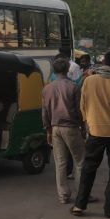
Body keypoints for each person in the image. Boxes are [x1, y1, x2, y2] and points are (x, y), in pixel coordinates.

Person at [70, 51, 110, 219]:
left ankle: (79, 205)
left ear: (103, 61)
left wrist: (88, 125)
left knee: (88, 169)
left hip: (95, 132)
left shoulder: (89, 81)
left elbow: (82, 107)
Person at [42, 58, 86, 204]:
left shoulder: (47, 88)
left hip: (55, 128)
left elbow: (45, 112)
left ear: (54, 70)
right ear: (68, 69)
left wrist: (48, 130)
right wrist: (83, 127)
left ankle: (63, 195)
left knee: (60, 162)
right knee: (80, 161)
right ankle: (81, 194)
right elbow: (79, 111)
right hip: (71, 127)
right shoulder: (73, 87)